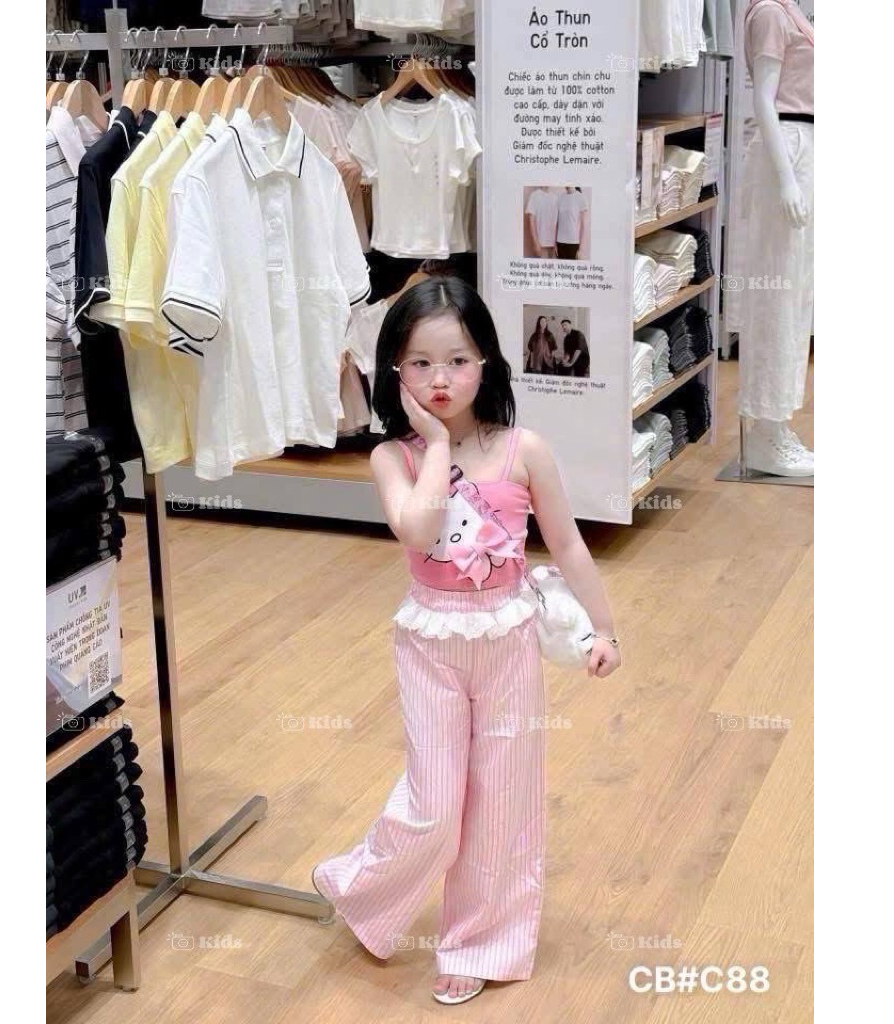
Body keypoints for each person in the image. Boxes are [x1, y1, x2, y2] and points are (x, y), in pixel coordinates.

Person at [312, 277, 621, 1006]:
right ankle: (356, 883)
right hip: (429, 644)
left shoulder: (524, 450)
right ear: (395, 371)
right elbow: (419, 529)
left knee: (503, 800)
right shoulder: (392, 457)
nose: (440, 379)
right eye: (420, 364)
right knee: (434, 803)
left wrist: (602, 626)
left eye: (457, 360)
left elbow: (569, 546)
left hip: (508, 640)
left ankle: (479, 944)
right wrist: (437, 445)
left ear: (486, 361)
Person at [556, 187, 588, 260]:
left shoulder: (581, 198)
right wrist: (555, 244)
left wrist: (581, 249)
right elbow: (557, 222)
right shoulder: (560, 198)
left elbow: (583, 225)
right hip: (560, 242)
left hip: (573, 243)